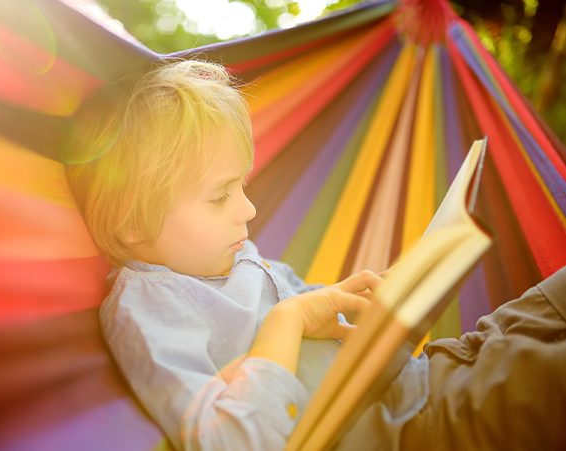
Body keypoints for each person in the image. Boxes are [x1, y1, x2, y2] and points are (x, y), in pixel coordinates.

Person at [63, 59, 566, 451]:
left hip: (439, 367)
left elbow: (324, 340)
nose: (249, 209)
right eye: (220, 196)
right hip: (423, 430)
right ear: (131, 222)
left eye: (242, 186)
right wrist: (289, 318)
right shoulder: (149, 308)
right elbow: (238, 440)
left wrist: (362, 302)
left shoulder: (227, 255)